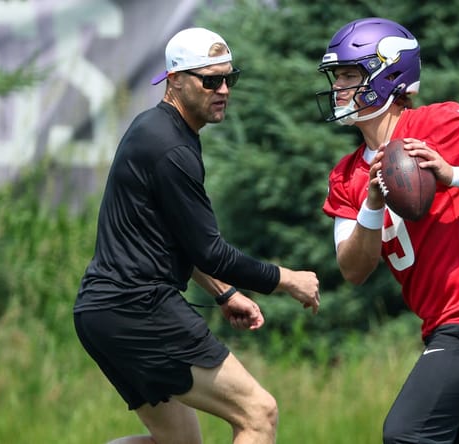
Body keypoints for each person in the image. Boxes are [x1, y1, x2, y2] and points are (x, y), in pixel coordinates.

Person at [74, 27, 320, 444]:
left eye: (230, 78)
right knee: (259, 414)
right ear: (175, 81)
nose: (223, 89)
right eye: (210, 80)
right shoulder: (171, 148)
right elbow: (212, 252)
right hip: (140, 308)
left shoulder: (156, 128)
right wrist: (288, 279)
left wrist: (224, 294)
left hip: (104, 312)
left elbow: (176, 239)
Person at [316, 17, 459, 444]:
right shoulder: (346, 176)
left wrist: (453, 174)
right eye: (337, 77)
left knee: (406, 436)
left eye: (350, 74)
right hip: (447, 325)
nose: (338, 88)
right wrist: (372, 204)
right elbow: (353, 269)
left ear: (388, 74)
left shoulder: (432, 127)